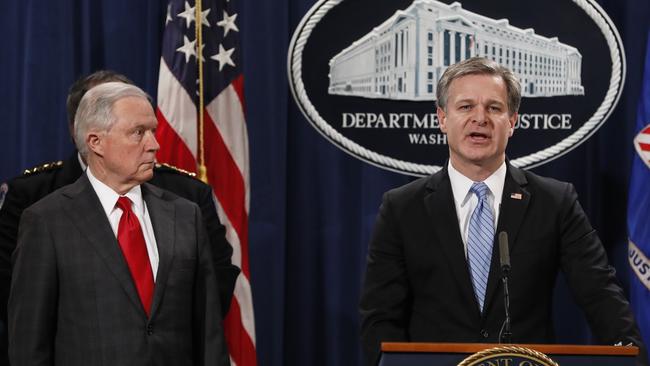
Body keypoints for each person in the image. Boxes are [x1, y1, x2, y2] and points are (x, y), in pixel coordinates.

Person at [359, 57, 646, 365]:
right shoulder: (402, 208)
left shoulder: (554, 202)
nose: (479, 118)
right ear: (442, 118)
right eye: (465, 106)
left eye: (494, 108)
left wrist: (630, 356)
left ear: (512, 121)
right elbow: (380, 319)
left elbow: (600, 295)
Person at [0, 71, 239, 365]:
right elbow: (29, 342)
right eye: (138, 132)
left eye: (153, 131)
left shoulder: (184, 214)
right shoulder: (46, 221)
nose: (154, 144)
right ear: (96, 142)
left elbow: (209, 333)